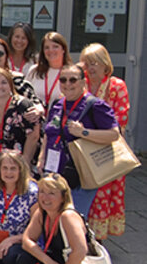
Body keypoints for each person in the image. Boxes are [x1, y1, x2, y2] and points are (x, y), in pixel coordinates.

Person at [38, 64, 120, 216]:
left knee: (73, 218)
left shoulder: (95, 105)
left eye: (73, 80)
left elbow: (114, 135)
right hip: (53, 172)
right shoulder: (57, 104)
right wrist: (42, 157)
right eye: (63, 80)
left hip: (80, 174)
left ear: (83, 82)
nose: (67, 84)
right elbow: (49, 133)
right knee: (51, 218)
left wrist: (84, 132)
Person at [8, 173, 91, 264]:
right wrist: (47, 261)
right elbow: (27, 240)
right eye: (42, 192)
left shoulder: (68, 216)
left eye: (51, 193)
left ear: (63, 197)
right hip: (54, 261)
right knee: (23, 258)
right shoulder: (42, 212)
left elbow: (80, 250)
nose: (45, 197)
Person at [82, 43, 130, 240]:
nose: (90, 68)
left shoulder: (116, 86)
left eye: (94, 63)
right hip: (82, 148)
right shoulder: (80, 83)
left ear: (105, 64)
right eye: (86, 63)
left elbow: (120, 119)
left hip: (107, 150)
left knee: (104, 193)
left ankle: (99, 238)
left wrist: (91, 132)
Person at [27, 32, 69, 110]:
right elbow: (25, 96)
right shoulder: (34, 71)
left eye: (55, 47)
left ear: (63, 49)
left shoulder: (70, 73)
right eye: (47, 47)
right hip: (36, 116)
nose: (51, 50)